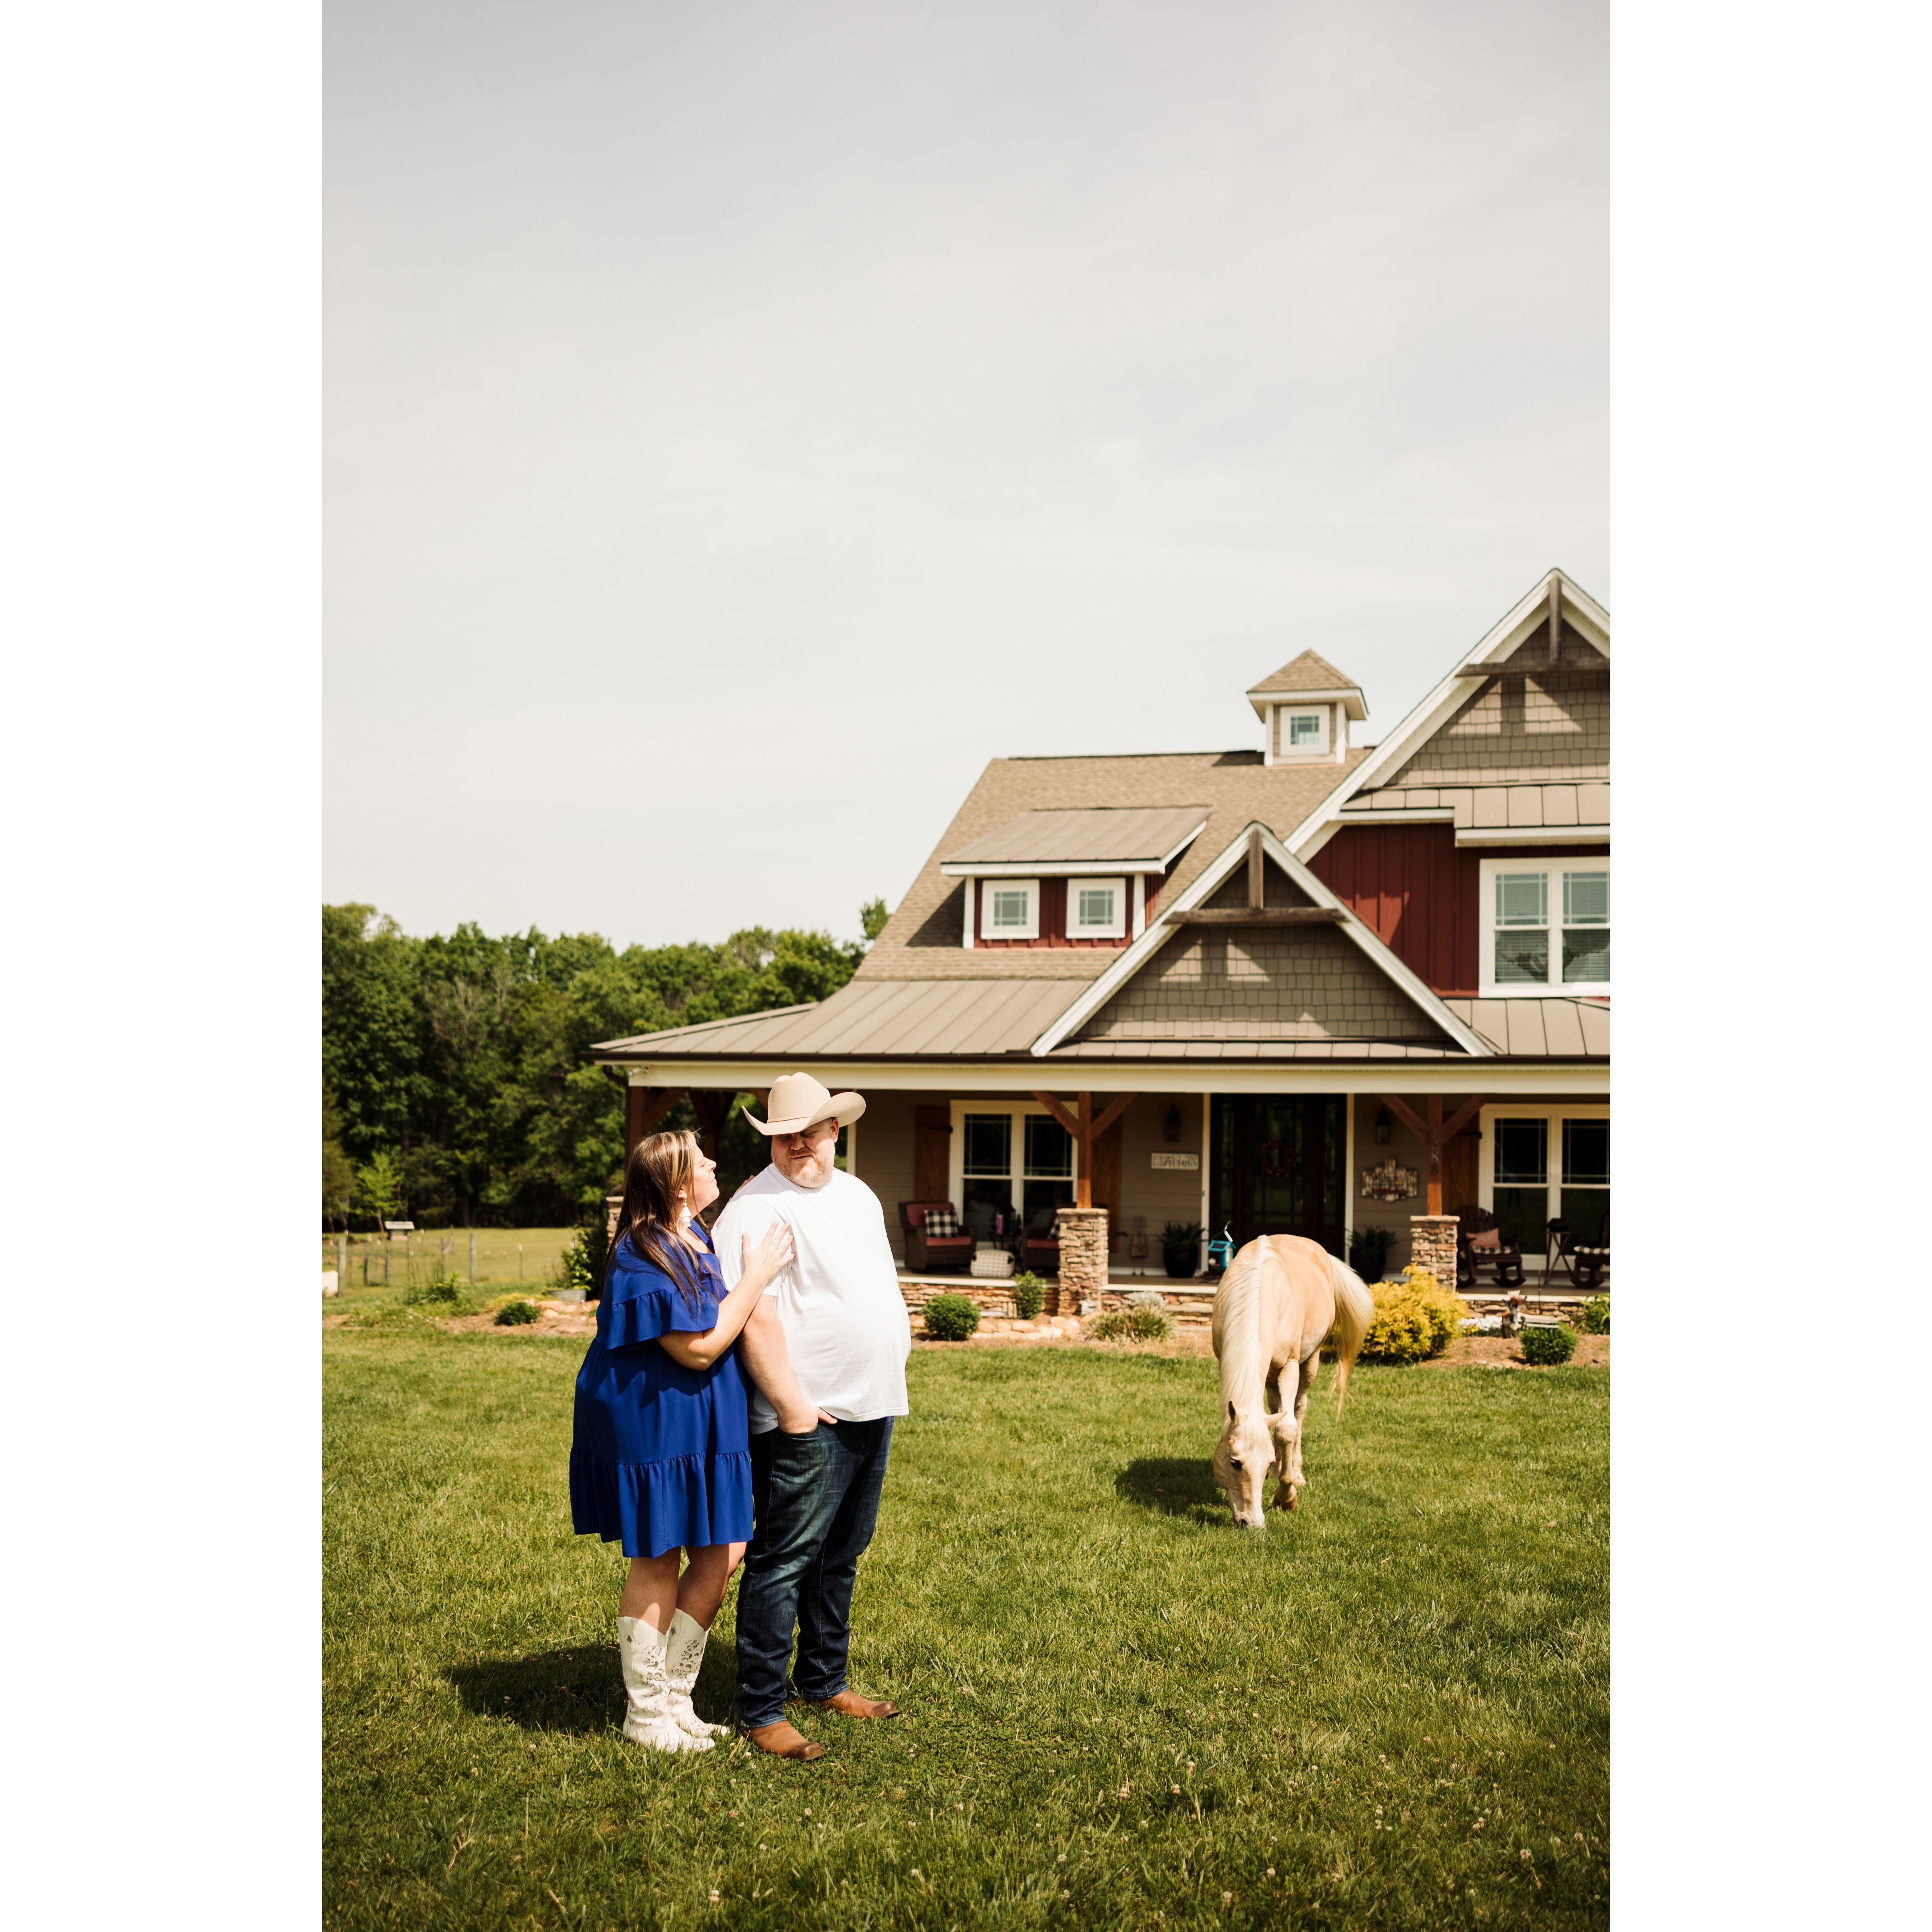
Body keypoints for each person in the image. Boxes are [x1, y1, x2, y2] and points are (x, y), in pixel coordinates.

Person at [568, 1129, 795, 1754]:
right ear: (676, 1186)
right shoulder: (642, 1254)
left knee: (725, 1548)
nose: (714, 1162)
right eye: (701, 1160)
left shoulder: (691, 1231)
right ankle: (645, 1714)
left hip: (701, 1419)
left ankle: (674, 1697)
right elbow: (697, 1349)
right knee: (660, 1555)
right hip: (654, 1419)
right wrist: (757, 1275)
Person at [711, 1072, 912, 1762]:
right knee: (783, 1560)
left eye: (810, 1131)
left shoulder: (858, 1194)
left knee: (840, 1555)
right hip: (805, 1416)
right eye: (784, 1135)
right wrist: (791, 1405)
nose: (799, 1144)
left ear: (835, 1129)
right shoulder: (754, 1209)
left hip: (871, 1401)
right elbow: (752, 1314)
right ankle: (761, 1708)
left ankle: (824, 1680)